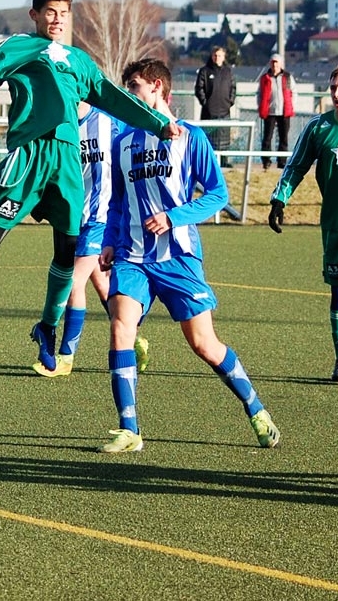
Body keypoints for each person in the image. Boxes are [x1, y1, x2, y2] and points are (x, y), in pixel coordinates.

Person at [0, 0, 181, 377]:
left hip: (66, 163)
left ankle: (47, 327)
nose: (57, 20)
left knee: (66, 251)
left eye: (63, 13)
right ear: (35, 15)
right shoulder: (16, 47)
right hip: (28, 158)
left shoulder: (80, 61)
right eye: (50, 12)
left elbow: (115, 98)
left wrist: (159, 124)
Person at [99, 59, 279, 453]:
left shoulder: (190, 138)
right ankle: (129, 429)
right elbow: (116, 202)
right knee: (120, 327)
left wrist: (174, 217)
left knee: (204, 344)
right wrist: (110, 240)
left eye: (135, 86)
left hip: (179, 257)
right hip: (133, 257)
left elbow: (218, 195)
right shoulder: (122, 142)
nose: (129, 93)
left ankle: (256, 409)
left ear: (158, 88)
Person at [268, 65, 338, 383]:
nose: (336, 93)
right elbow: (296, 165)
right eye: (333, 87)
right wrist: (280, 199)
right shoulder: (318, 128)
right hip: (333, 221)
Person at [34, 103, 149, 377]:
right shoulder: (61, 125)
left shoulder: (111, 122)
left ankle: (65, 357)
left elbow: (136, 152)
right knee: (102, 285)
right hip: (75, 218)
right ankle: (133, 339)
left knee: (73, 281)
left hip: (104, 218)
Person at [194, 46, 236, 154]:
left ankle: (224, 160)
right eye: (215, 55)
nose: (217, 58)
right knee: (208, 140)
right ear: (212, 56)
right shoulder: (205, 71)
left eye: (220, 55)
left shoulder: (228, 72)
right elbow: (199, 89)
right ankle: (208, 161)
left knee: (224, 139)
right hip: (209, 113)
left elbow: (233, 88)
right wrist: (205, 104)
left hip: (224, 112)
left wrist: (229, 102)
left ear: (224, 57)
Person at [256, 54, 294, 168]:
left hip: (284, 112)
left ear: (281, 64)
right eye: (273, 62)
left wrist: (291, 105)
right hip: (269, 112)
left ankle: (282, 161)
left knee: (284, 138)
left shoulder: (287, 77)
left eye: (277, 62)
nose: (275, 65)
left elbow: (294, 92)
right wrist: (261, 106)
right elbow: (259, 94)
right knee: (267, 137)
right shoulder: (265, 78)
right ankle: (266, 161)